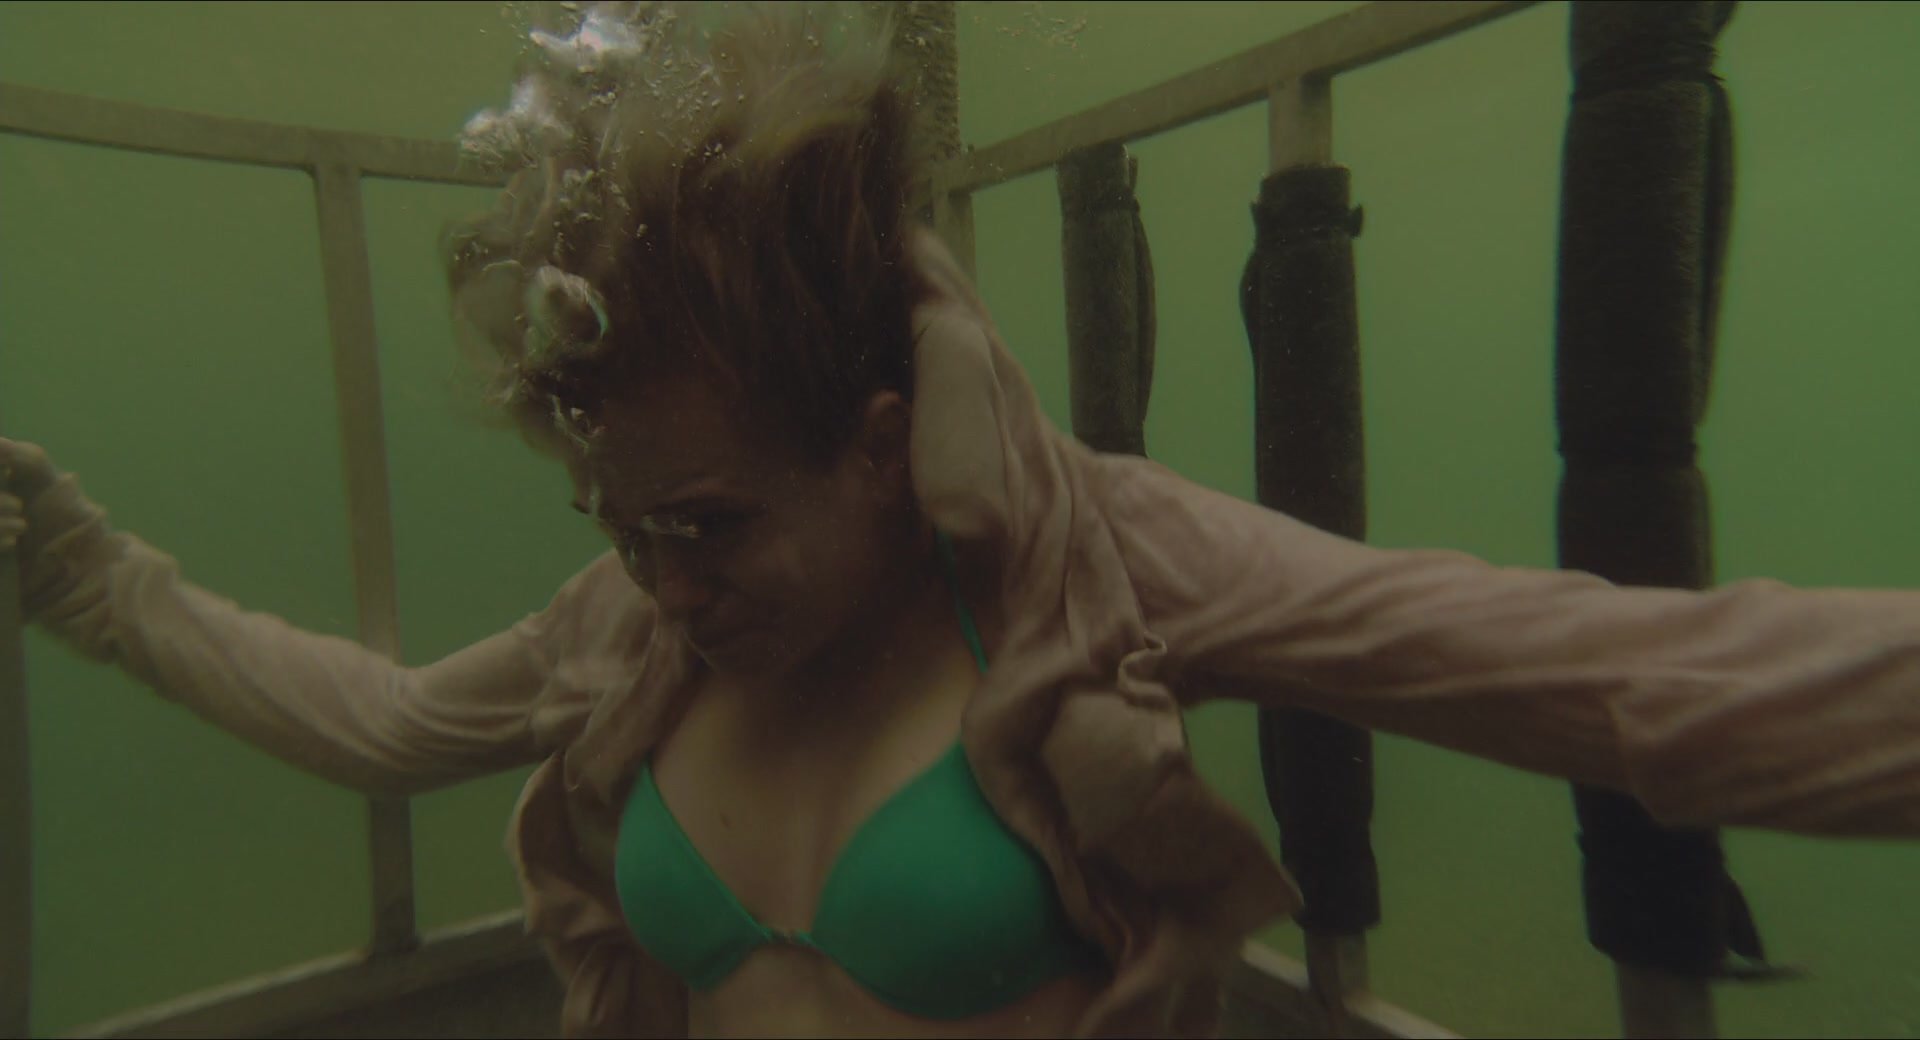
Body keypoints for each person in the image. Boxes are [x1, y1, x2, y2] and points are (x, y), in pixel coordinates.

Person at [3, 3, 1916, 1038]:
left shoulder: (1095, 561)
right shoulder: (633, 625)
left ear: (877, 440)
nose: (667, 582)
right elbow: (385, 728)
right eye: (621, 523)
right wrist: (82, 573)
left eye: (709, 524)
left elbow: (1622, 674)